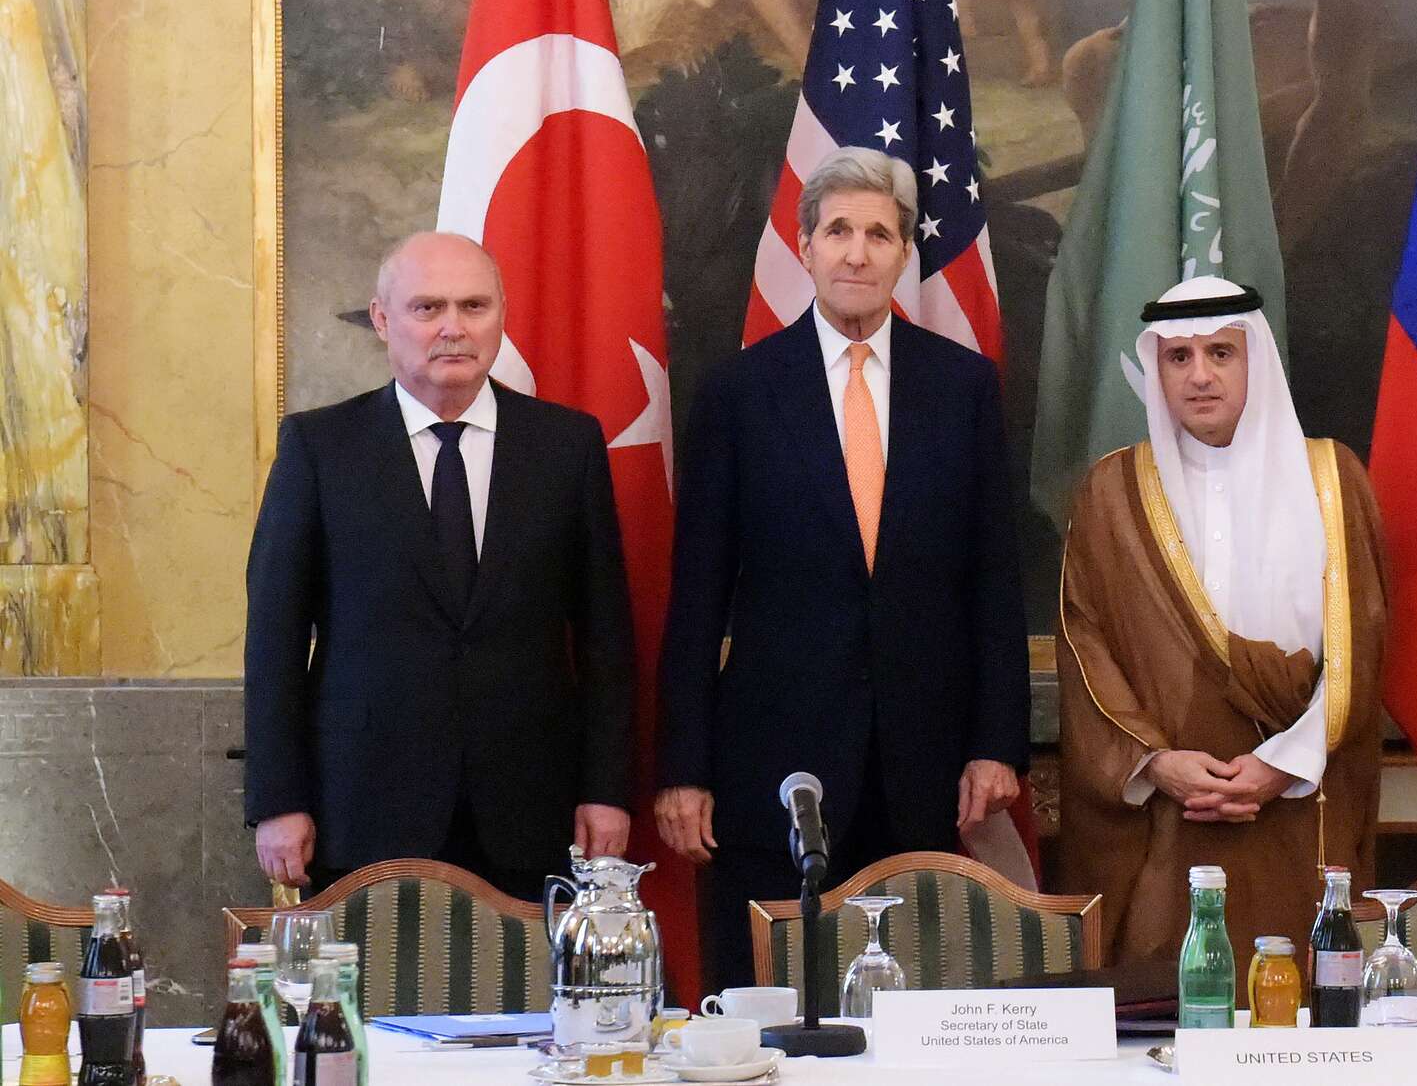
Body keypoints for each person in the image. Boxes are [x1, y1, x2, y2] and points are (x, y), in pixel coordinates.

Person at [655, 148, 1030, 989]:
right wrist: (684, 768)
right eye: (837, 232)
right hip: (774, 774)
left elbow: (994, 581)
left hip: (924, 771)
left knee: (917, 1011)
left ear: (904, 252)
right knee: (772, 1007)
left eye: (879, 234)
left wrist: (995, 744)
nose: (857, 253)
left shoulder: (963, 388)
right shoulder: (738, 393)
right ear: (804, 246)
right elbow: (698, 597)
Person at [243, 232, 637, 900]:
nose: (454, 327)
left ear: (501, 315)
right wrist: (278, 798)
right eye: (428, 308)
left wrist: (606, 788)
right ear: (381, 319)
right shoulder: (320, 447)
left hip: (529, 808)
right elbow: (274, 637)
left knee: (522, 974)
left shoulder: (565, 445)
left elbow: (606, 637)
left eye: (473, 306)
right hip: (363, 804)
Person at [1056, 277, 1388, 961]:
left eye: (1220, 353)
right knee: (1166, 1000)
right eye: (1178, 357)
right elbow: (1085, 645)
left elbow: (1360, 644)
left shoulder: (1332, 479)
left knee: (1298, 1001)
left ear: (1254, 359)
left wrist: (1281, 764)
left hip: (1299, 801)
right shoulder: (1112, 491)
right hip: (1168, 813)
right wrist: (1157, 762)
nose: (1200, 375)